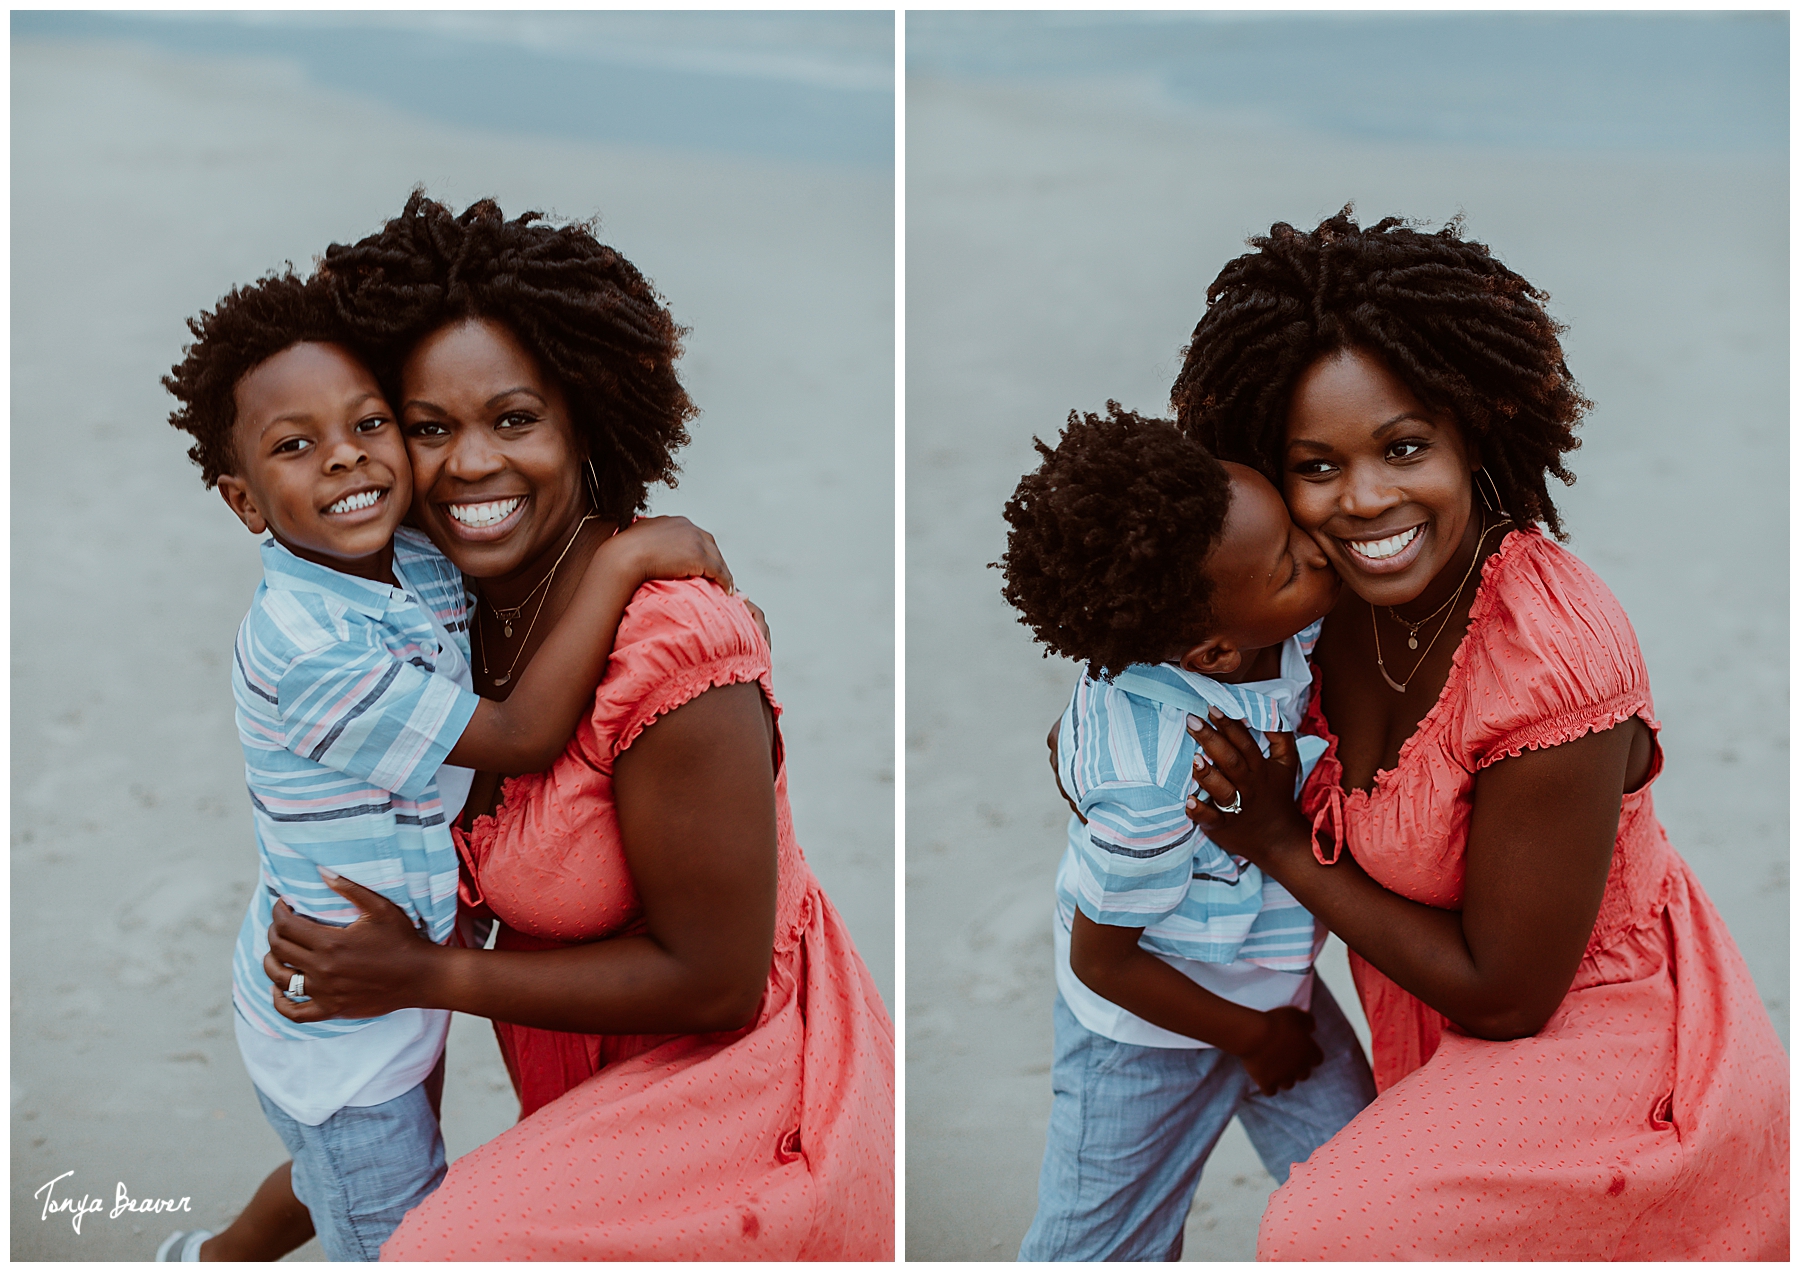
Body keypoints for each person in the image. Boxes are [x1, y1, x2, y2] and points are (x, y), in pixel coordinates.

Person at [259, 193, 895, 1260]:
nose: (468, 465)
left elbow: (719, 980)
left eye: (514, 419)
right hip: (594, 1106)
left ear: (585, 421)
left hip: (750, 1109)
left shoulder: (673, 645)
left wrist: (424, 975)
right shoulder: (432, 627)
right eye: (425, 427)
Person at [1171, 210, 1787, 1259]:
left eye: (1404, 448)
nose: (1367, 501)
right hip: (1445, 1029)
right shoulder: (1318, 603)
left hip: (1606, 1045)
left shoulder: (1549, 657)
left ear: (1474, 431)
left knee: (1315, 1233)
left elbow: (1510, 994)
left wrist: (1280, 845)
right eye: (1316, 466)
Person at [154, 273, 736, 1261]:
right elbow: (514, 736)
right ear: (245, 501)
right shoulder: (312, 650)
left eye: (369, 424)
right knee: (396, 1226)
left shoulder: (409, 557)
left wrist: (708, 629)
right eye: (295, 446)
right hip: (341, 1004)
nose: (344, 457)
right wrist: (628, 565)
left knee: (337, 1166)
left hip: (397, 965)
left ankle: (207, 1260)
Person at [1000, 405, 1375, 1260]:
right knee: (1101, 1248)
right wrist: (1251, 1037)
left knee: (1370, 1192)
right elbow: (1104, 957)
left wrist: (1268, 1021)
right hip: (1144, 1038)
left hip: (1272, 990)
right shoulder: (1150, 774)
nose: (1317, 551)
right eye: (1289, 563)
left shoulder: (1281, 625)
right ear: (1210, 654)